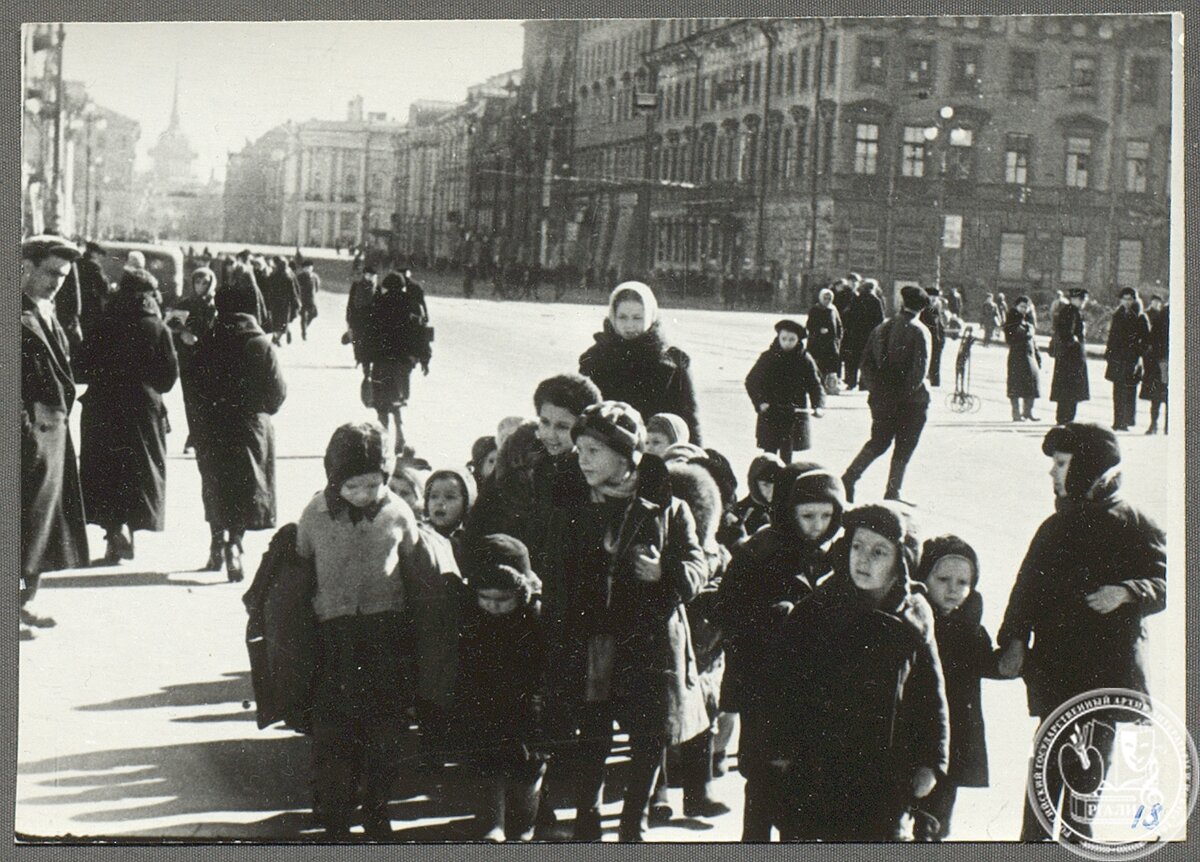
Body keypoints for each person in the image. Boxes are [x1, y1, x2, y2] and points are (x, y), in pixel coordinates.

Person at [540, 401, 709, 841]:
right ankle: (587, 819)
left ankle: (634, 821)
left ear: (626, 455)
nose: (582, 460)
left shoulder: (666, 508)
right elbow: (554, 572)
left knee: (648, 734)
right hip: (591, 639)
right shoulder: (570, 504)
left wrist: (665, 573)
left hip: (648, 641)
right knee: (592, 733)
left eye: (593, 450)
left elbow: (697, 566)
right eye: (579, 450)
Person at [996, 423, 1166, 841]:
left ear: (1087, 468)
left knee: (1085, 784)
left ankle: (1076, 844)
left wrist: (1128, 592)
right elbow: (1026, 588)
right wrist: (1014, 638)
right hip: (1057, 671)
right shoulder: (1055, 526)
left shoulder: (1136, 523)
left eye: (1061, 464)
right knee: (1045, 772)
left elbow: (1166, 582)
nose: (1052, 473)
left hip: (1105, 677)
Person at [765, 502, 950, 842]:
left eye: (879, 551)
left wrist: (932, 762)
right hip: (818, 772)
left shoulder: (915, 615)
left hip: (886, 774)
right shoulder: (816, 611)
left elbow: (930, 693)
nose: (863, 559)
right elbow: (782, 690)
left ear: (900, 560)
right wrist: (780, 754)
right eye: (857, 546)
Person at [296, 421, 419, 839]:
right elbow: (302, 568)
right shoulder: (314, 515)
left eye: (373, 484)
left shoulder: (398, 512)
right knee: (335, 732)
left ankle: (377, 807)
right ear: (334, 479)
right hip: (335, 638)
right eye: (354, 486)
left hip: (386, 634)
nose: (365, 495)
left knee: (385, 731)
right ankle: (335, 814)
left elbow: (414, 564)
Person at [714, 463, 845, 840]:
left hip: (812, 691)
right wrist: (770, 618)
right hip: (765, 685)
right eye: (807, 516)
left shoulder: (835, 555)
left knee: (802, 786)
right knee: (761, 780)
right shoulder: (760, 552)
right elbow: (727, 610)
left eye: (826, 515)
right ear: (789, 512)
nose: (817, 525)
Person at [77, 268, 179, 565]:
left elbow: (82, 365)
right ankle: (129, 530)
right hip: (143, 409)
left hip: (102, 407)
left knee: (104, 469)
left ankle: (113, 533)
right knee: (136, 471)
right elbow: (167, 379)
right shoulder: (157, 327)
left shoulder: (103, 321)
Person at [190, 279, 288, 580]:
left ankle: (216, 544)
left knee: (215, 483)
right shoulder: (260, 344)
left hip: (212, 426)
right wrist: (261, 412)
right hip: (250, 427)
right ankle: (236, 543)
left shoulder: (207, 340)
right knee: (245, 486)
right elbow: (278, 393)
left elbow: (193, 388)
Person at [455, 535, 549, 841]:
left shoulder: (535, 618)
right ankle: (492, 823)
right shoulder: (471, 619)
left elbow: (545, 668)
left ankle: (525, 824)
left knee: (528, 767)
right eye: (486, 599)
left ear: (520, 592)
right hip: (484, 702)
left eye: (503, 600)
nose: (494, 607)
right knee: (487, 764)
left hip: (527, 703)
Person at [20, 236, 90, 633]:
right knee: (22, 525)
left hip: (53, 435)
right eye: (51, 273)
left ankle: (23, 602)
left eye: (63, 276)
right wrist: (25, 432)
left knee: (42, 527)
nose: (57, 282)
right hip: (30, 435)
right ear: (24, 268)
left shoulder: (47, 311)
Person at [912, 536, 1001, 841]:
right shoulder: (914, 621)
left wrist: (1015, 656)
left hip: (953, 742)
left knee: (936, 824)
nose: (953, 589)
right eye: (943, 579)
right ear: (923, 578)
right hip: (914, 736)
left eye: (963, 582)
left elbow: (989, 664)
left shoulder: (969, 627)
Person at [579, 281, 702, 444]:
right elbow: (581, 414)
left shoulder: (673, 364)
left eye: (637, 318)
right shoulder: (594, 359)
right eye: (622, 317)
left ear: (650, 317)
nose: (629, 325)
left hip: (656, 454)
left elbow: (689, 423)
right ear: (612, 317)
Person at [841, 285, 932, 505]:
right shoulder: (920, 330)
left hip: (882, 399)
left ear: (902, 303)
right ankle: (893, 491)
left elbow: (865, 364)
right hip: (911, 402)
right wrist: (901, 395)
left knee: (879, 441)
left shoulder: (881, 328)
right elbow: (919, 373)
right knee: (904, 445)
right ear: (922, 308)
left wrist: (879, 391)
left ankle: (849, 477)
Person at [365, 269, 431, 455]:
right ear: (402, 287)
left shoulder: (377, 304)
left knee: (381, 402)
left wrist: (365, 361)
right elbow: (422, 335)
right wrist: (424, 359)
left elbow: (368, 334)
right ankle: (401, 436)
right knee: (398, 399)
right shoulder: (412, 305)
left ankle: (384, 440)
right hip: (403, 362)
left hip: (381, 360)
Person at [744, 319, 825, 464]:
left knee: (787, 450)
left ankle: (784, 480)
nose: (787, 343)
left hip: (793, 413)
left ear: (798, 340)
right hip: (770, 411)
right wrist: (760, 402)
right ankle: (768, 478)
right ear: (778, 338)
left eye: (792, 339)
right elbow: (752, 381)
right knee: (769, 450)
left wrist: (818, 405)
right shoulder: (768, 357)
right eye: (784, 339)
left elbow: (815, 385)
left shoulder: (804, 359)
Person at [168, 267, 220, 454]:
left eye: (205, 282)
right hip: (187, 358)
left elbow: (214, 332)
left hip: (207, 359)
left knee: (205, 399)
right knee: (190, 400)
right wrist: (180, 331)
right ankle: (194, 436)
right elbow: (170, 326)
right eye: (197, 282)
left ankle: (200, 437)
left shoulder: (214, 306)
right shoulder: (185, 303)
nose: (200, 286)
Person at [1105, 287, 1150, 431]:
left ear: (1135, 300)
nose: (1127, 302)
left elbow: (1146, 339)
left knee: (1129, 391)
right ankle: (1117, 421)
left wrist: (1138, 353)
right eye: (1124, 299)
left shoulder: (1140, 317)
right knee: (1117, 391)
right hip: (1117, 358)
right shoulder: (1117, 315)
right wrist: (1109, 353)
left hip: (1132, 359)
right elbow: (1112, 336)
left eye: (1130, 299)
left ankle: (1127, 421)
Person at [721, 453, 784, 547]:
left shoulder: (785, 511)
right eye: (765, 485)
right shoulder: (738, 513)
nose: (771, 490)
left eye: (777, 484)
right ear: (754, 483)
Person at [1050, 287, 1090, 423]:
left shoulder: (1069, 311)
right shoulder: (1071, 312)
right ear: (1074, 299)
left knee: (1066, 391)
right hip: (1072, 358)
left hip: (1067, 358)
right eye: (1082, 299)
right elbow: (1068, 334)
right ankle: (1066, 419)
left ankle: (1063, 418)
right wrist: (1077, 342)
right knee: (1071, 391)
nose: (1084, 302)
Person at [841, 277, 886, 390]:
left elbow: (849, 315)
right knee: (866, 359)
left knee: (852, 359)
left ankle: (851, 382)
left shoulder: (857, 298)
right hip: (869, 335)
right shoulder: (876, 301)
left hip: (855, 333)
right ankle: (863, 383)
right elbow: (880, 319)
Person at [1004, 295, 1042, 422]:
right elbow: (1011, 337)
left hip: (1030, 356)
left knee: (1032, 384)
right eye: (1022, 307)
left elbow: (1033, 339)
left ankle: (1028, 412)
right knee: (1015, 385)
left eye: (1027, 307)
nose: (1024, 309)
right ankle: (1016, 414)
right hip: (1017, 357)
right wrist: (1027, 331)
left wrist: (1037, 355)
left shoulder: (1029, 319)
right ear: (1016, 306)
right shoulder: (1011, 319)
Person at [1140, 294, 1169, 434]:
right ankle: (1159, 425)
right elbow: (1153, 338)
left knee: (1160, 395)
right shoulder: (1164, 314)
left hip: (1163, 360)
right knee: (1162, 394)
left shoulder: (1162, 314)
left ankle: (1156, 425)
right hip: (1163, 361)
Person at [806, 287, 844, 394]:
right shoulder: (815, 309)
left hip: (831, 344)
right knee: (819, 365)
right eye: (825, 298)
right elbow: (809, 325)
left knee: (832, 365)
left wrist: (838, 338)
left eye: (829, 298)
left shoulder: (833, 309)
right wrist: (819, 330)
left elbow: (839, 324)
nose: (827, 300)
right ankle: (818, 387)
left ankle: (831, 387)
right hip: (817, 343)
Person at [346, 264, 378, 373]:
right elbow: (350, 303)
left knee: (369, 341)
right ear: (364, 275)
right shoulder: (356, 286)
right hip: (358, 317)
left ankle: (366, 361)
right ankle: (358, 359)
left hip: (372, 319)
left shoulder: (377, 288)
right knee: (357, 339)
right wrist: (349, 318)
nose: (371, 277)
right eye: (369, 275)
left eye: (373, 276)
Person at [265, 256, 302, 346]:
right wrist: (297, 302)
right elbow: (293, 291)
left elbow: (268, 289)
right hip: (285, 303)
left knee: (276, 321)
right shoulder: (289, 276)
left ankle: (276, 337)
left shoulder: (273, 275)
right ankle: (279, 337)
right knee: (283, 321)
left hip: (275, 302)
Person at [920, 287, 946, 388]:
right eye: (932, 297)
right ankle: (932, 380)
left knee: (935, 360)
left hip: (936, 338)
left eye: (935, 297)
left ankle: (935, 381)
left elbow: (939, 324)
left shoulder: (935, 307)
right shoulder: (929, 307)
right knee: (931, 359)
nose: (934, 299)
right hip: (932, 337)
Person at [296, 258, 321, 341]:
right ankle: (304, 332)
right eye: (306, 268)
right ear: (303, 269)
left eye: (310, 268)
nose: (308, 270)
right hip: (302, 299)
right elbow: (296, 288)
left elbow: (317, 287)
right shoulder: (299, 277)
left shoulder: (315, 277)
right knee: (304, 316)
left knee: (314, 314)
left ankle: (305, 327)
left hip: (312, 299)